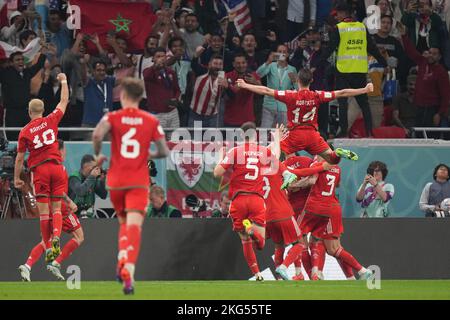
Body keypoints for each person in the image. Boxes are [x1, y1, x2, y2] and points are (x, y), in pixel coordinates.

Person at [92, 77, 169, 295]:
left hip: (115, 182)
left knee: (123, 223)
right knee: (134, 226)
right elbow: (163, 151)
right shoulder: (150, 120)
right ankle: (128, 268)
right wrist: (150, 153)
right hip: (138, 182)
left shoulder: (113, 116)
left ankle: (122, 259)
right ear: (140, 97)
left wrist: (98, 154)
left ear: (123, 96)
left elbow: (97, 134)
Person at [236, 69, 373, 167]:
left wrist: (245, 85)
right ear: (311, 81)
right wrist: (364, 90)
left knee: (273, 155)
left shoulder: (290, 95)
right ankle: (337, 152)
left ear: (297, 81)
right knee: (333, 160)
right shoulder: (317, 95)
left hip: (294, 135)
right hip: (313, 135)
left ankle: (287, 174)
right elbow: (342, 92)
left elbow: (266, 90)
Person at [213, 122, 280, 281]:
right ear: (255, 134)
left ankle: (256, 273)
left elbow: (217, 173)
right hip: (256, 200)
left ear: (242, 135)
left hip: (238, 201)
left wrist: (220, 157)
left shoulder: (235, 151)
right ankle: (252, 230)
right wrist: (276, 137)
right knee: (261, 244)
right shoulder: (263, 151)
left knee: (245, 240)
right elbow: (276, 155)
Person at [290, 155, 374, 281]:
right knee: (317, 240)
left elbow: (311, 181)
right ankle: (344, 277)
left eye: (316, 154)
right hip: (331, 206)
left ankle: (361, 270)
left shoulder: (317, 165)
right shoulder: (337, 168)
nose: (314, 157)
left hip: (322, 206)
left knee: (332, 248)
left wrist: (296, 185)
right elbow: (337, 184)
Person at [14, 73, 69, 263]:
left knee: (44, 213)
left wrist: (16, 178)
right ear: (43, 110)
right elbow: (64, 100)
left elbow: (20, 158)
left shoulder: (25, 132)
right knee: (57, 209)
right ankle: (56, 238)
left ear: (29, 112)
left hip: (40, 170)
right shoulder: (51, 120)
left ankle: (48, 246)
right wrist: (63, 81)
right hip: (57, 167)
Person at [311, 1, 387, 137]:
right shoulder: (362, 27)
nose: (336, 17)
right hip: (359, 70)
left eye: (337, 14)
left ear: (343, 13)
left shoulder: (339, 28)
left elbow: (329, 50)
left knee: (343, 102)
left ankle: (343, 133)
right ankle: (370, 133)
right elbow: (372, 48)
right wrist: (383, 62)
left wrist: (316, 65)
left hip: (343, 70)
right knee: (363, 103)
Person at [18, 139, 84, 282]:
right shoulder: (59, 167)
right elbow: (59, 193)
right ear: (59, 150)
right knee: (79, 236)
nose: (65, 152)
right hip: (61, 208)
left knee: (44, 241)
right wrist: (69, 201)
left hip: (45, 207)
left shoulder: (41, 166)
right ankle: (56, 260)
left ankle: (27, 266)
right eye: (64, 149)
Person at [399, 23, 450, 138]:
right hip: (418, 108)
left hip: (432, 110)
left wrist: (439, 113)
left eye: (434, 54)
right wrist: (404, 35)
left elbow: (446, 96)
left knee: (431, 138)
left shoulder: (441, 72)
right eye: (430, 52)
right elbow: (411, 51)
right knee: (418, 137)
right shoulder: (423, 62)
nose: (431, 55)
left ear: (440, 57)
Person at [0, 51, 46, 139]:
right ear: (11, 63)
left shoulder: (26, 73)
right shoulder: (5, 73)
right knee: (12, 138)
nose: (21, 61)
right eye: (17, 60)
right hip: (11, 113)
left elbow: (39, 65)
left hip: (26, 112)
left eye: (22, 59)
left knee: (28, 137)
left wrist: (44, 51)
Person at [257, 44, 298, 128]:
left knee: (283, 134)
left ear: (288, 54)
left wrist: (294, 80)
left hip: (284, 106)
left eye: (284, 52)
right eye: (279, 52)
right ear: (276, 53)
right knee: (264, 132)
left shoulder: (292, 69)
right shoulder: (271, 66)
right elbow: (258, 74)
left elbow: (297, 88)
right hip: (269, 104)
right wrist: (268, 61)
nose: (282, 54)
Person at [143, 47, 181, 128]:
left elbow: (177, 89)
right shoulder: (148, 71)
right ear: (153, 58)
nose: (161, 59)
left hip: (172, 113)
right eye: (158, 56)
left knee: (174, 139)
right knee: (158, 140)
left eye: (163, 56)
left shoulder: (171, 72)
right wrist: (155, 67)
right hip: (157, 114)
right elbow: (146, 76)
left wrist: (176, 99)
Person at [223, 53, 261, 127]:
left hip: (248, 120)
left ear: (246, 63)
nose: (241, 65)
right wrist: (235, 87)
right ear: (233, 64)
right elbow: (225, 97)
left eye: (243, 63)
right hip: (231, 120)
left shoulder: (253, 76)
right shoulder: (227, 76)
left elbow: (262, 93)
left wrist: (254, 82)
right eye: (238, 63)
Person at [189, 54, 227, 127]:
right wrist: (196, 55)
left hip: (213, 117)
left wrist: (227, 87)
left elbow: (230, 95)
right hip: (196, 115)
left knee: (212, 138)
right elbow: (194, 65)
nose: (218, 67)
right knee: (195, 138)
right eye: (215, 63)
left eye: (220, 64)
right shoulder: (202, 72)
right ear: (209, 64)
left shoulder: (223, 77)